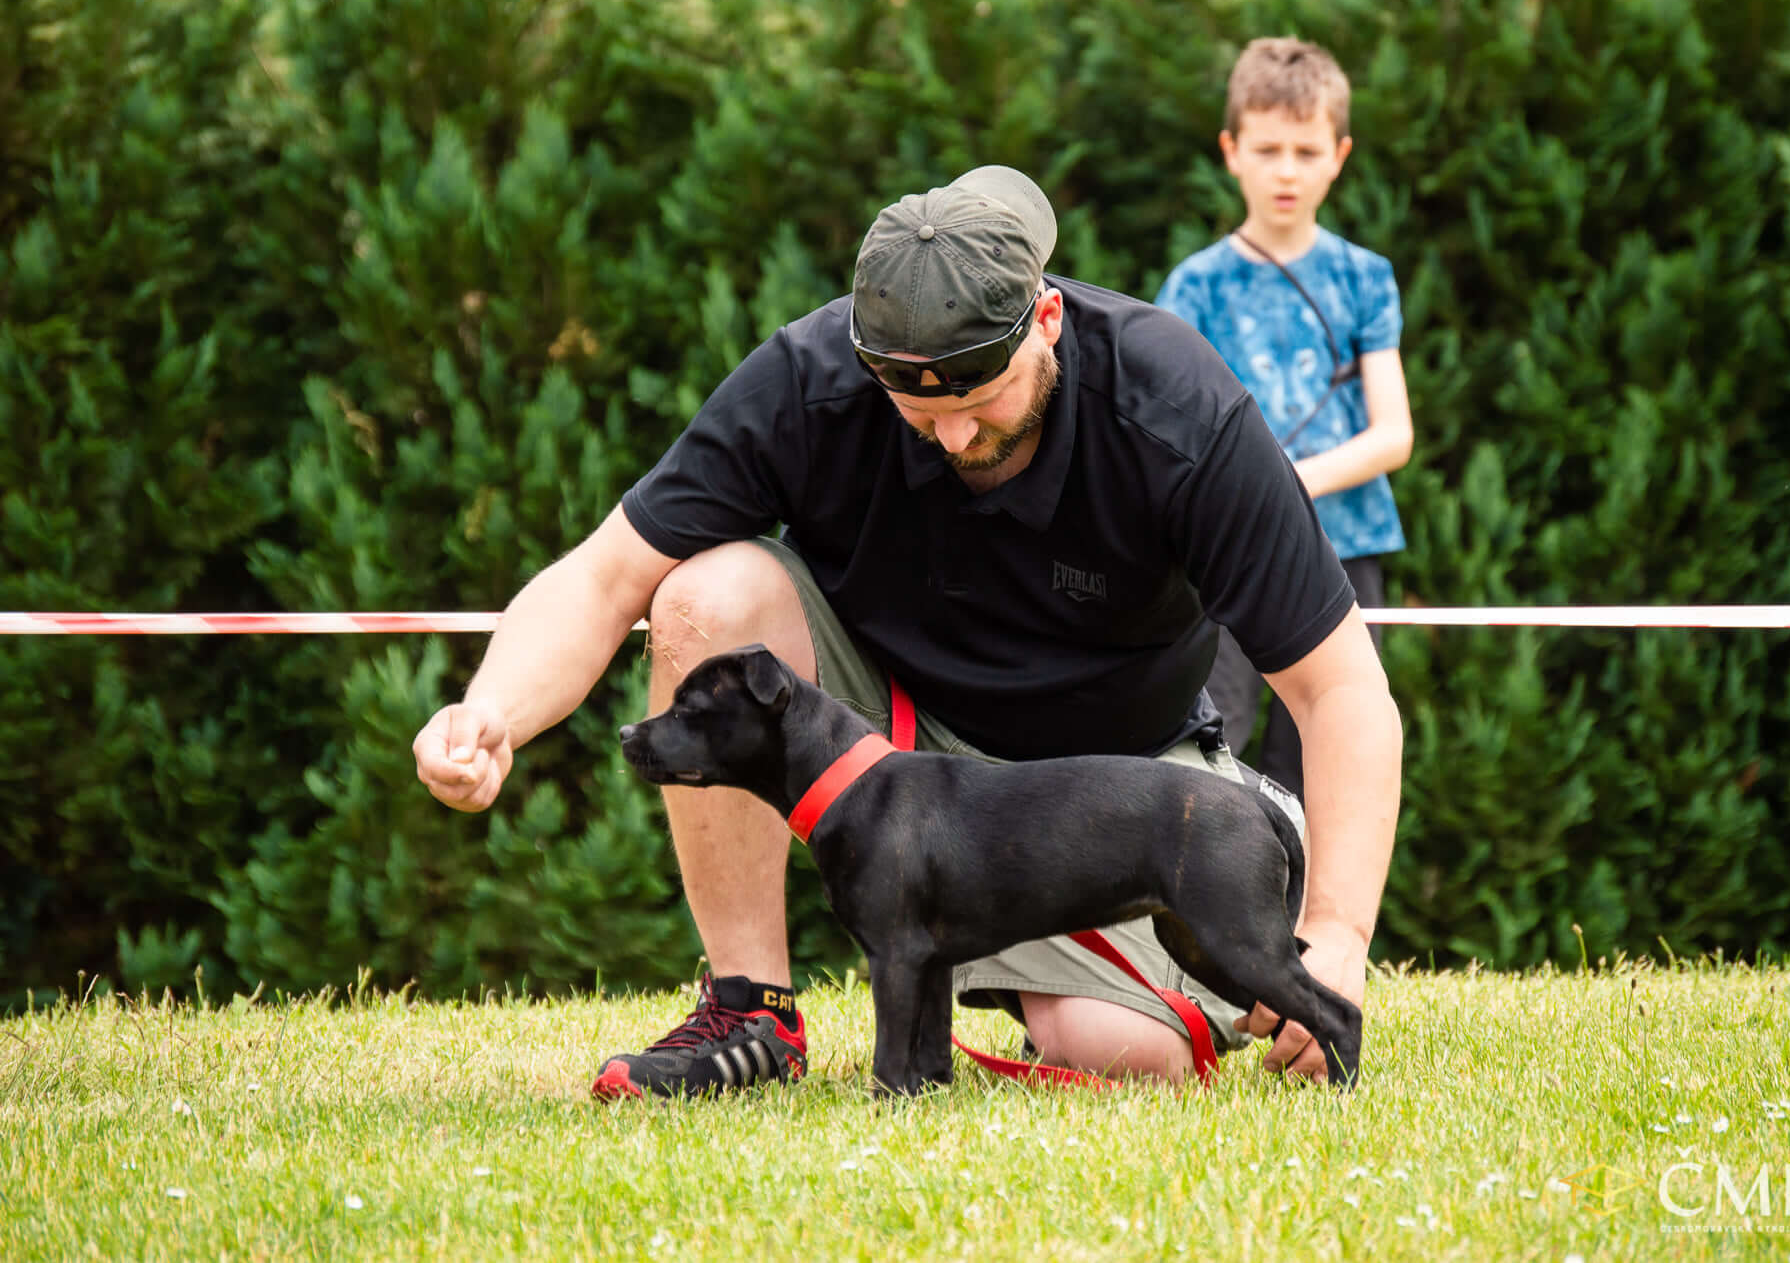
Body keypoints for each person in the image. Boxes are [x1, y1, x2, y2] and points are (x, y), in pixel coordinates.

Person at [412, 164, 1402, 1097]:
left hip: (1111, 776)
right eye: (919, 412)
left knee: (1120, 1054)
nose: (957, 437)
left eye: (982, 401)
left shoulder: (1176, 405)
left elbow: (1343, 689)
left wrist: (1340, 934)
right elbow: (603, 578)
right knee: (704, 598)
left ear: (1045, 318)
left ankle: (1060, 963)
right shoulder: (805, 381)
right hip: (896, 745)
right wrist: (489, 710)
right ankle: (748, 1012)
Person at [1156, 36, 1413, 796]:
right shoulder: (1194, 286)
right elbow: (1173, 438)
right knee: (1212, 753)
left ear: (1339, 154)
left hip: (1346, 552)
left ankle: (1319, 919)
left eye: (1307, 150)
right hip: (1226, 559)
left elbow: (1393, 435)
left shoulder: (1366, 279)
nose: (1288, 170)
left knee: (1330, 757)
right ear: (1232, 151)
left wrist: (1280, 482)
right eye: (1268, 149)